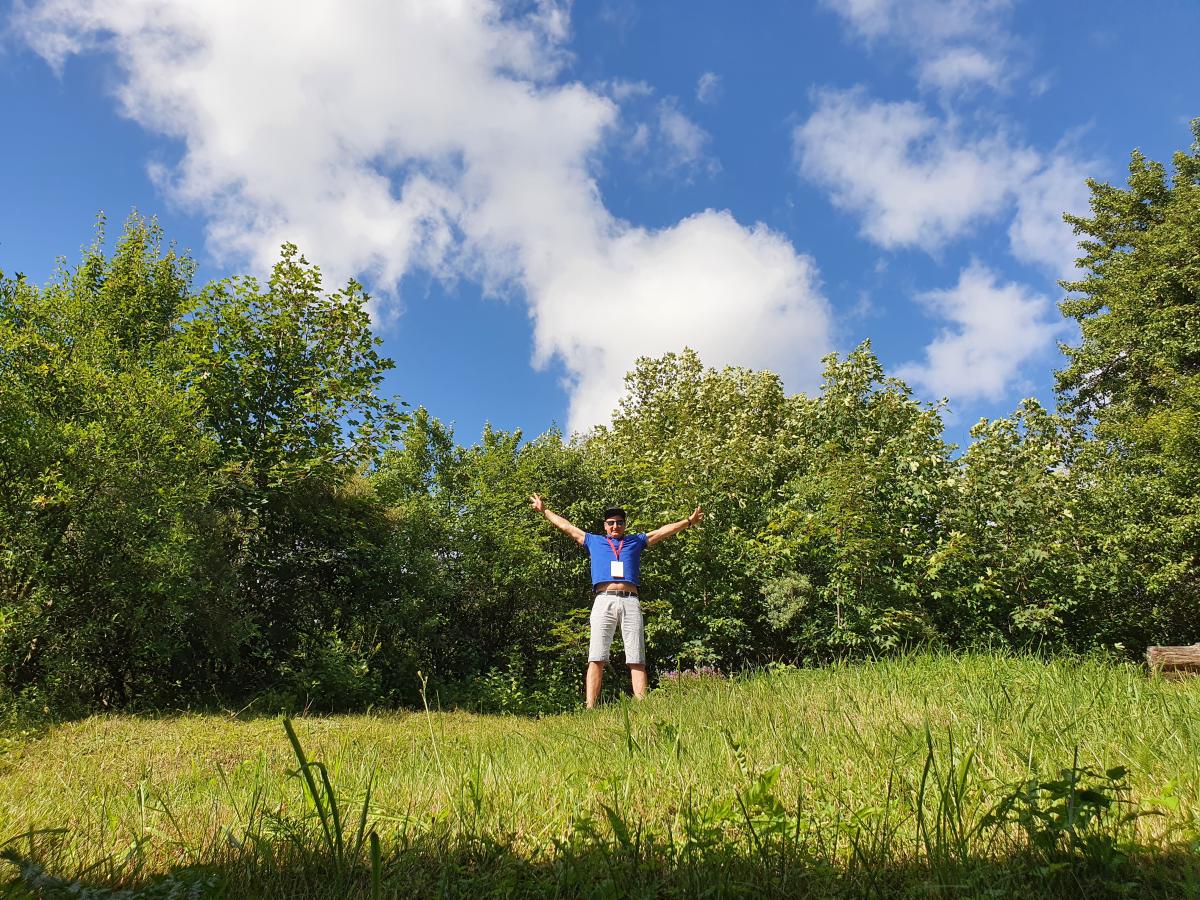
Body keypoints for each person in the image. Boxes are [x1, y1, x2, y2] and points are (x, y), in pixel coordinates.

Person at [530, 493, 703, 708]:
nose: (615, 526)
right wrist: (544, 510)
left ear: (624, 525)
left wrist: (688, 521)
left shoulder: (635, 541)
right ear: (605, 526)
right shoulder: (594, 541)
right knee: (596, 656)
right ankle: (590, 708)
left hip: (631, 601)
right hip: (604, 600)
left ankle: (642, 707)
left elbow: (661, 532)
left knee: (636, 657)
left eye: (620, 522)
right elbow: (567, 527)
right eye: (611, 523)